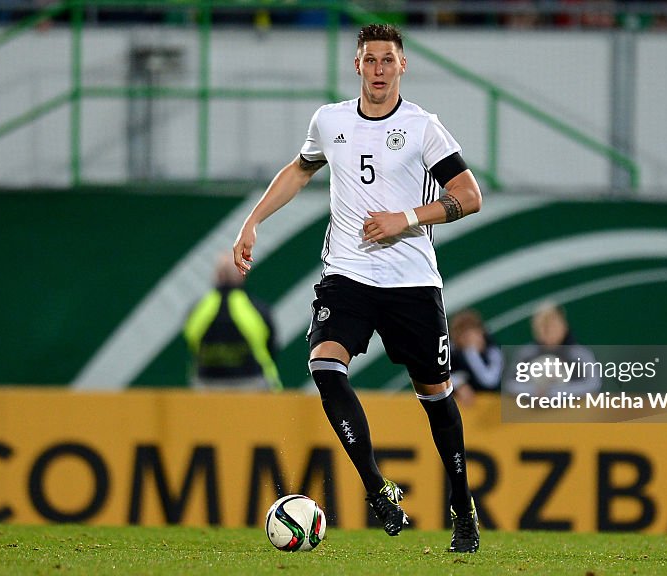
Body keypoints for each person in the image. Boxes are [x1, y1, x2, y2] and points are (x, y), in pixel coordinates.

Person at [232, 24, 483, 552]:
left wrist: (407, 218)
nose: (378, 71)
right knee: (324, 365)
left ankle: (463, 510)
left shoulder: (423, 128)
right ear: (357, 66)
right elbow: (300, 171)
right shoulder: (331, 120)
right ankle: (377, 489)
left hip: (412, 282)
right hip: (348, 274)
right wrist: (252, 222)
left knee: (436, 397)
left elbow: (469, 195)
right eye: (370, 61)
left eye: (388, 61)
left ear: (402, 66)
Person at [183, 254, 282, 392]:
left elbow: (192, 342)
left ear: (217, 276)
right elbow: (272, 347)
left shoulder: (198, 310)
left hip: (207, 386)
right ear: (242, 275)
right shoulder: (256, 309)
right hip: (253, 386)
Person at [505, 302, 602, 398]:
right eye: (543, 327)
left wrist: (554, 392)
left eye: (553, 326)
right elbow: (511, 384)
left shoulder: (579, 354)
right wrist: (534, 391)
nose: (549, 332)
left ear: (563, 326)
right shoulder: (527, 354)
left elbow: (593, 385)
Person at [449, 309, 504, 406]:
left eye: (475, 334)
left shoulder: (492, 350)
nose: (472, 340)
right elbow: (436, 376)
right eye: (466, 337)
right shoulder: (453, 353)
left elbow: (490, 381)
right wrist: (458, 384)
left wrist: (472, 353)